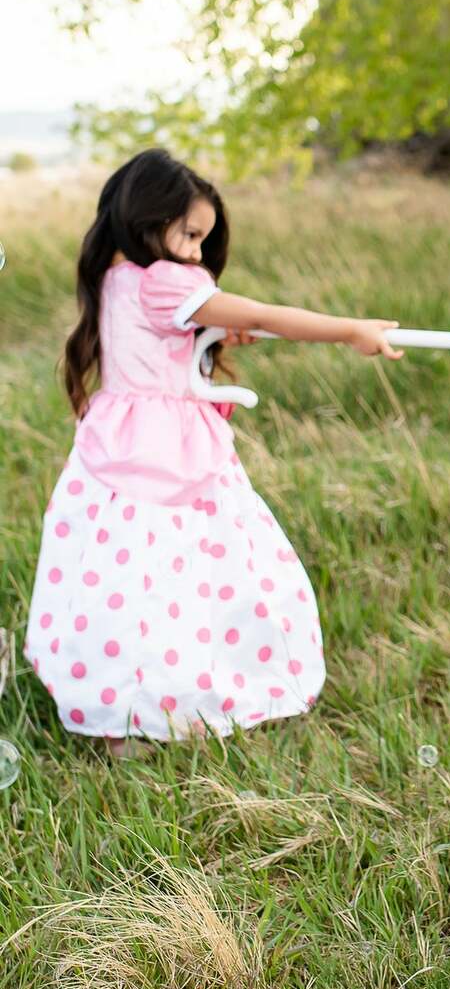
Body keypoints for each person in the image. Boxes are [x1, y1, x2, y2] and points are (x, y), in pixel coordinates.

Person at [23, 148, 402, 754]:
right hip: (169, 447)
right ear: (148, 220)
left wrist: (213, 328)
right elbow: (261, 312)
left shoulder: (116, 276)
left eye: (204, 239)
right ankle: (168, 701)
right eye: (190, 235)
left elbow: (181, 335)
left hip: (118, 438)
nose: (198, 252)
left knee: (126, 574)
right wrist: (349, 329)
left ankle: (127, 704)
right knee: (193, 567)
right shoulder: (165, 281)